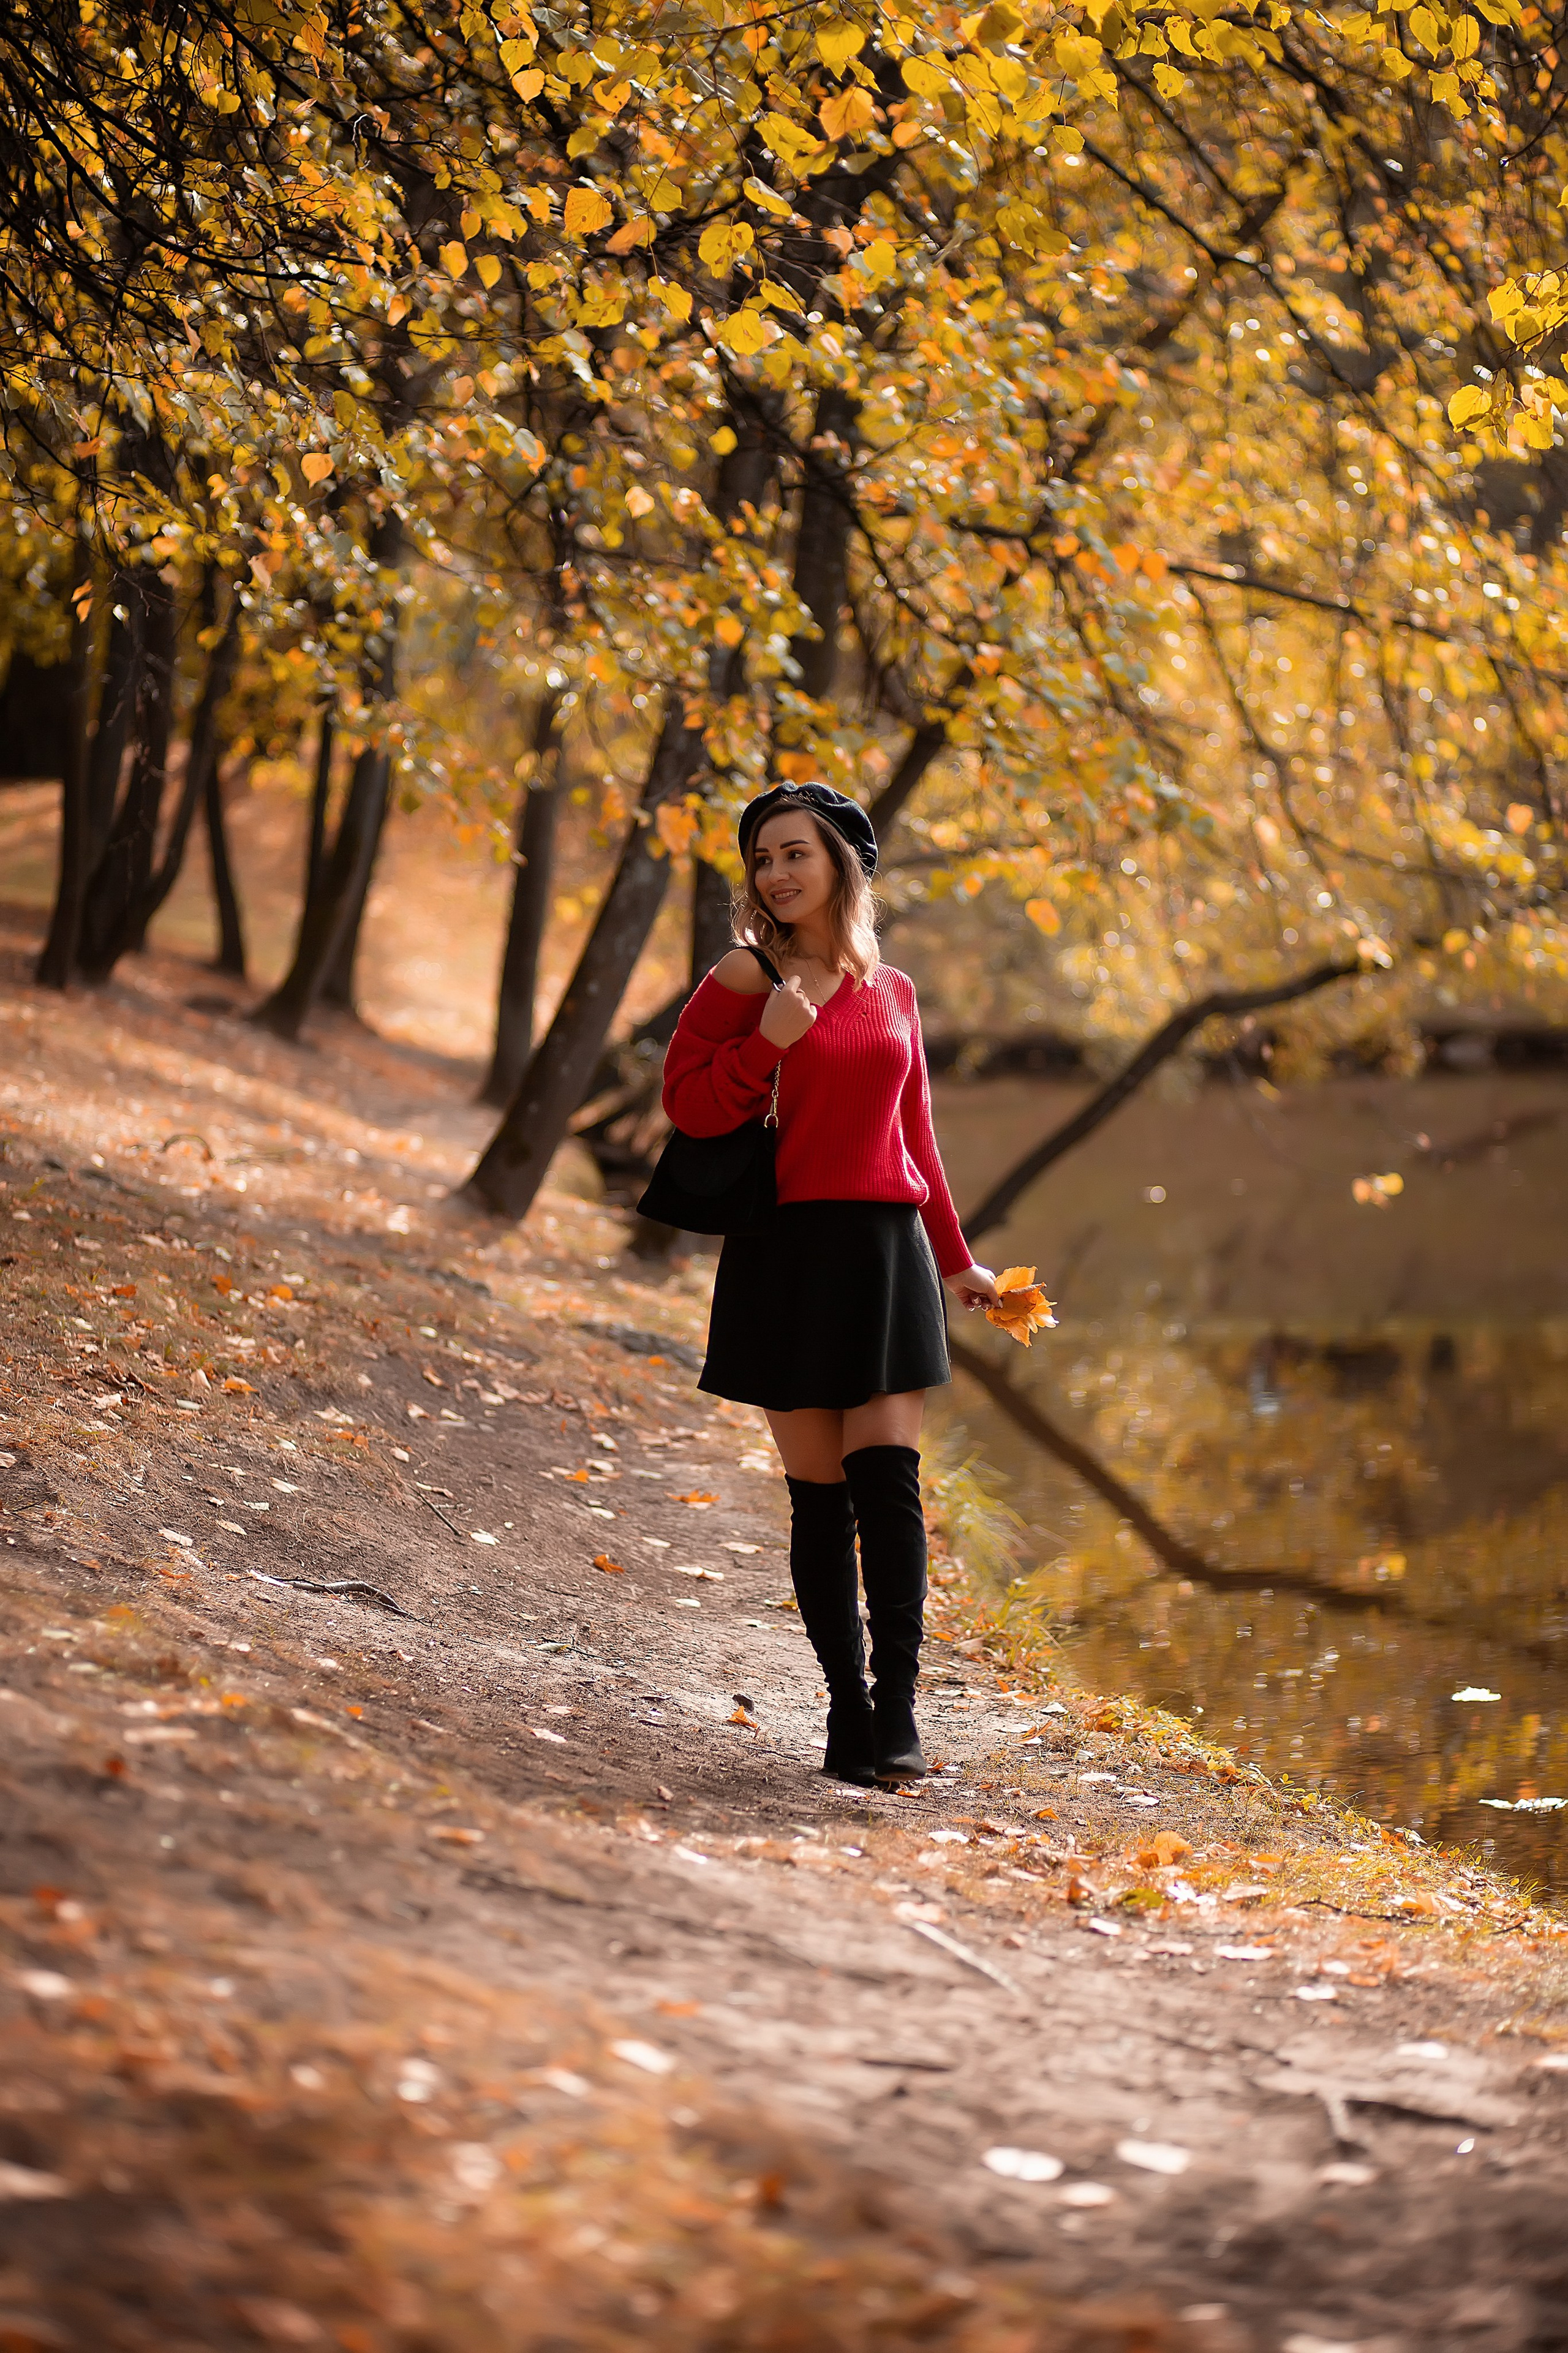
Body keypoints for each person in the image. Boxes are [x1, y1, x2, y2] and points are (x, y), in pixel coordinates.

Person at [661, 782, 1003, 1788]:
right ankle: (845, 1708)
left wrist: (958, 1258)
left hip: (888, 1250)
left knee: (888, 1483)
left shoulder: (892, 991)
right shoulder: (741, 974)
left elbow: (917, 1140)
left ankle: (897, 1709)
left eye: (794, 853)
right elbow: (686, 1105)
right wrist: (764, 1039)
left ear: (842, 864)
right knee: (820, 1502)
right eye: (763, 857)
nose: (776, 873)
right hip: (784, 1254)